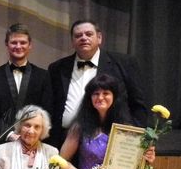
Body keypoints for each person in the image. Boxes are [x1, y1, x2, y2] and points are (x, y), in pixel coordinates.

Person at [48, 19, 147, 148]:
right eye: (78, 35)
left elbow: (138, 105)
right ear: (72, 41)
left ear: (99, 38)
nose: (83, 38)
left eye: (89, 34)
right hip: (65, 139)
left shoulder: (124, 63)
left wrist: (138, 142)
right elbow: (51, 106)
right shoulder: (57, 68)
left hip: (110, 141)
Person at [0, 24, 52, 160]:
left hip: (34, 145)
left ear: (30, 45)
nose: (18, 46)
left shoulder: (44, 76)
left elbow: (47, 111)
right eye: (14, 42)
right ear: (7, 44)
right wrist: (10, 135)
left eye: (23, 42)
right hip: (1, 145)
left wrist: (31, 135)